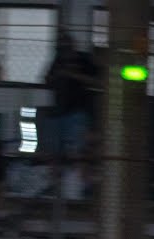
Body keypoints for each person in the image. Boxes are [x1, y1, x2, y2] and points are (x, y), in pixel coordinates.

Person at [44, 31, 99, 162]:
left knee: (76, 150)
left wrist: (74, 75)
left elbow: (97, 81)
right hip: (58, 112)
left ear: (73, 45)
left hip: (78, 112)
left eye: (66, 44)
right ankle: (59, 174)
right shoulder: (58, 61)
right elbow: (47, 80)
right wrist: (59, 74)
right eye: (60, 46)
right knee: (56, 151)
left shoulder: (84, 59)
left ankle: (75, 174)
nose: (63, 48)